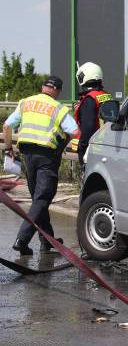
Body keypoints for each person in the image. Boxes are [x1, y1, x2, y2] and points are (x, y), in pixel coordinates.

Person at [3, 76, 78, 255]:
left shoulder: (25, 102)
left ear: (43, 87)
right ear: (58, 91)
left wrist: (8, 150)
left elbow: (6, 126)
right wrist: (62, 144)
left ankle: (47, 240)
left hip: (27, 155)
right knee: (42, 199)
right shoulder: (58, 108)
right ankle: (22, 239)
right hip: (47, 157)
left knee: (38, 198)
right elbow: (76, 131)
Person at [70, 62, 113, 165]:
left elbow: (88, 127)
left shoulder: (90, 99)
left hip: (91, 149)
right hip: (106, 146)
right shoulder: (106, 95)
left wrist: (82, 146)